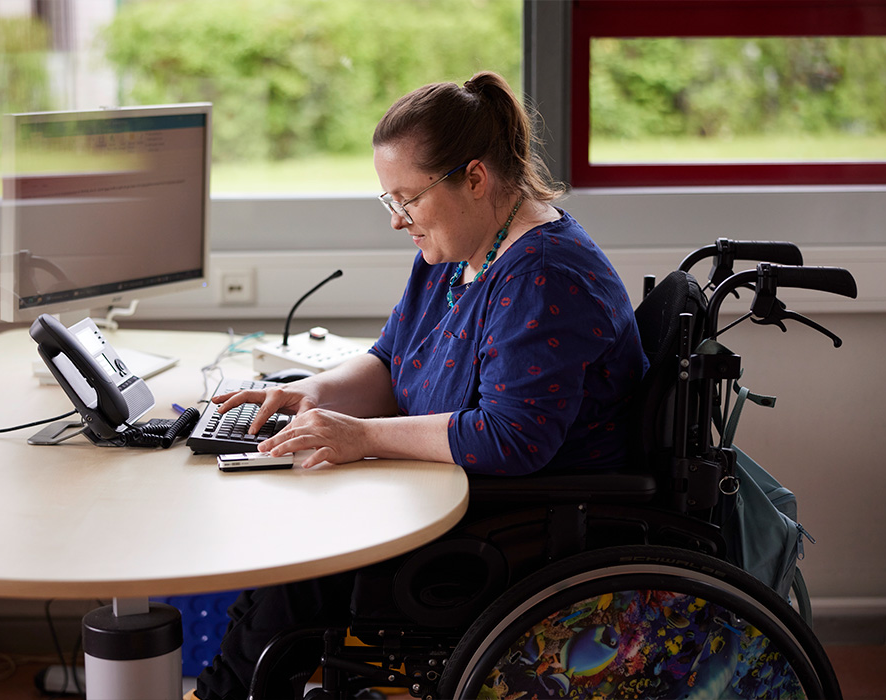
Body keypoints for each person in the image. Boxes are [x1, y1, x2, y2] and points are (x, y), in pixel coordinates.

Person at [194, 71, 647, 700]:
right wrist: (316, 394)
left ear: (474, 178)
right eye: (390, 202)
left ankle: (225, 693)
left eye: (407, 199)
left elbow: (512, 437)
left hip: (522, 524)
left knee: (306, 550)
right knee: (291, 527)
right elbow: (390, 359)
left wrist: (361, 437)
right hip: (455, 497)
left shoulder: (541, 275)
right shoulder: (458, 250)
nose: (397, 220)